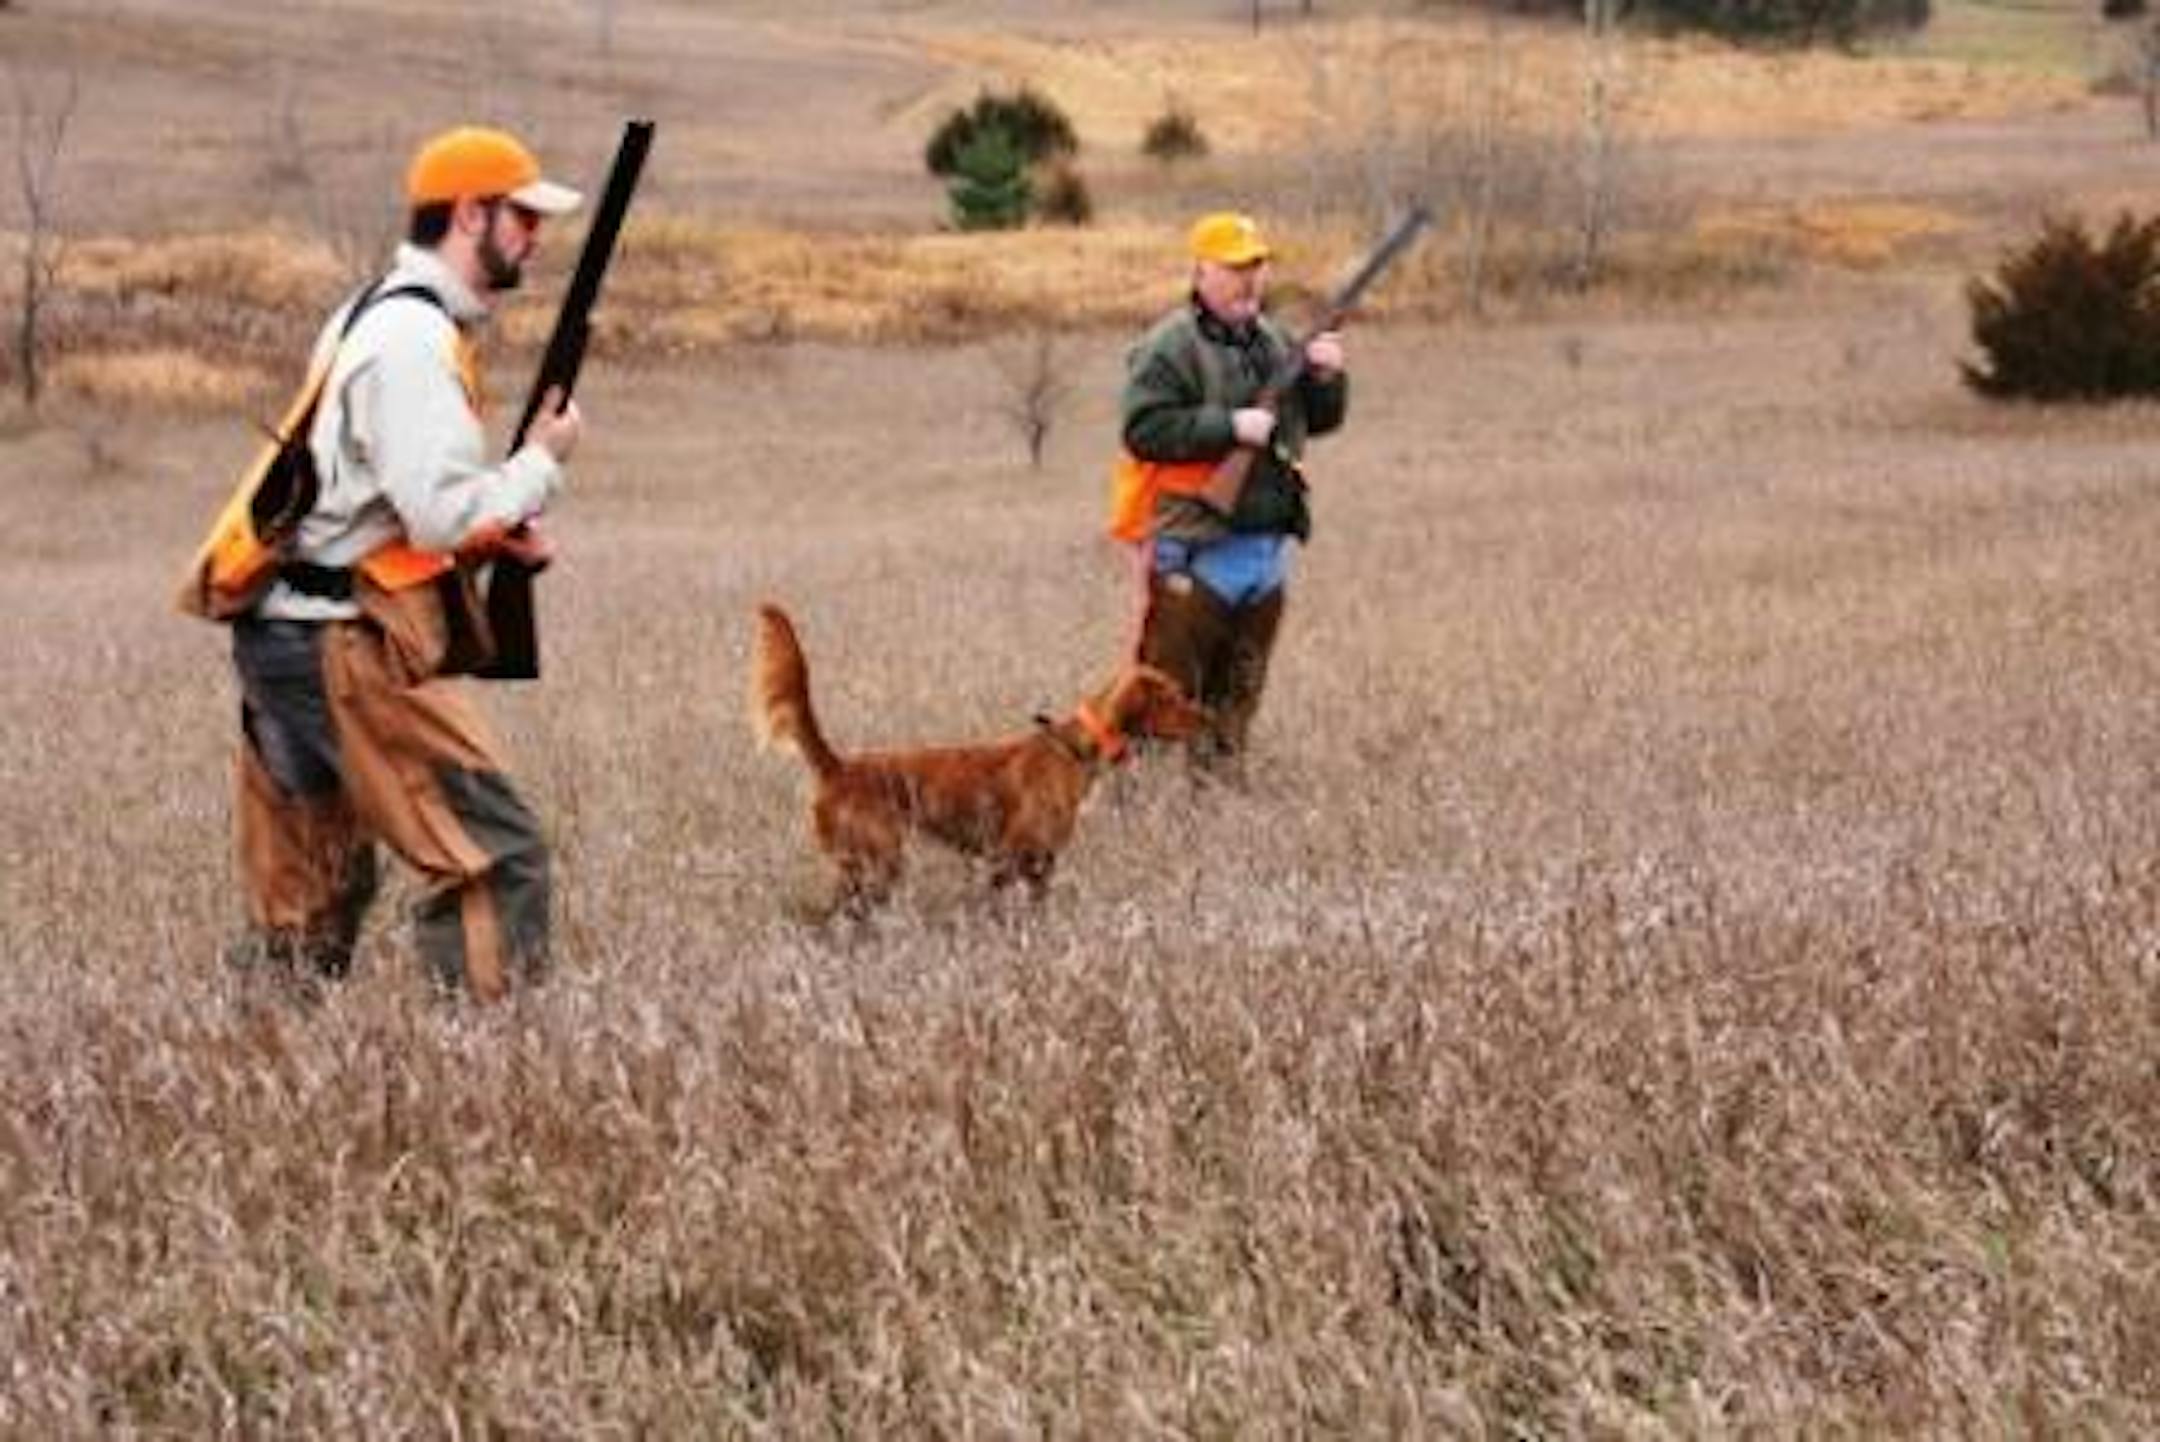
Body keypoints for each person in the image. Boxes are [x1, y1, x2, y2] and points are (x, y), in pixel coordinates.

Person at [219, 126, 585, 1001]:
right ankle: (483, 1076)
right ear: (470, 214)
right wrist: (542, 461)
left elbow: (377, 502)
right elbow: (438, 509)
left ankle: (262, 1064)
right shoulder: (413, 343)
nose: (534, 238)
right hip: (338, 643)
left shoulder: (367, 313)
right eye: (523, 218)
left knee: (316, 881)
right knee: (494, 857)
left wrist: (493, 535)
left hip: (288, 634)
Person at [1114, 210, 1348, 773]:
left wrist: (1325, 377)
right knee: (1163, 693)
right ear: (1201, 272)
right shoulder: (1169, 345)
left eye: (1257, 266)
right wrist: (1228, 427)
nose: (1250, 279)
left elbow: (1317, 421)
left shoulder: (1271, 340)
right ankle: (1136, 806)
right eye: (1235, 267)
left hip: (1262, 552)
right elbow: (1142, 429)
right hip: (1194, 547)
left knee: (1238, 695)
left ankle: (1216, 794)